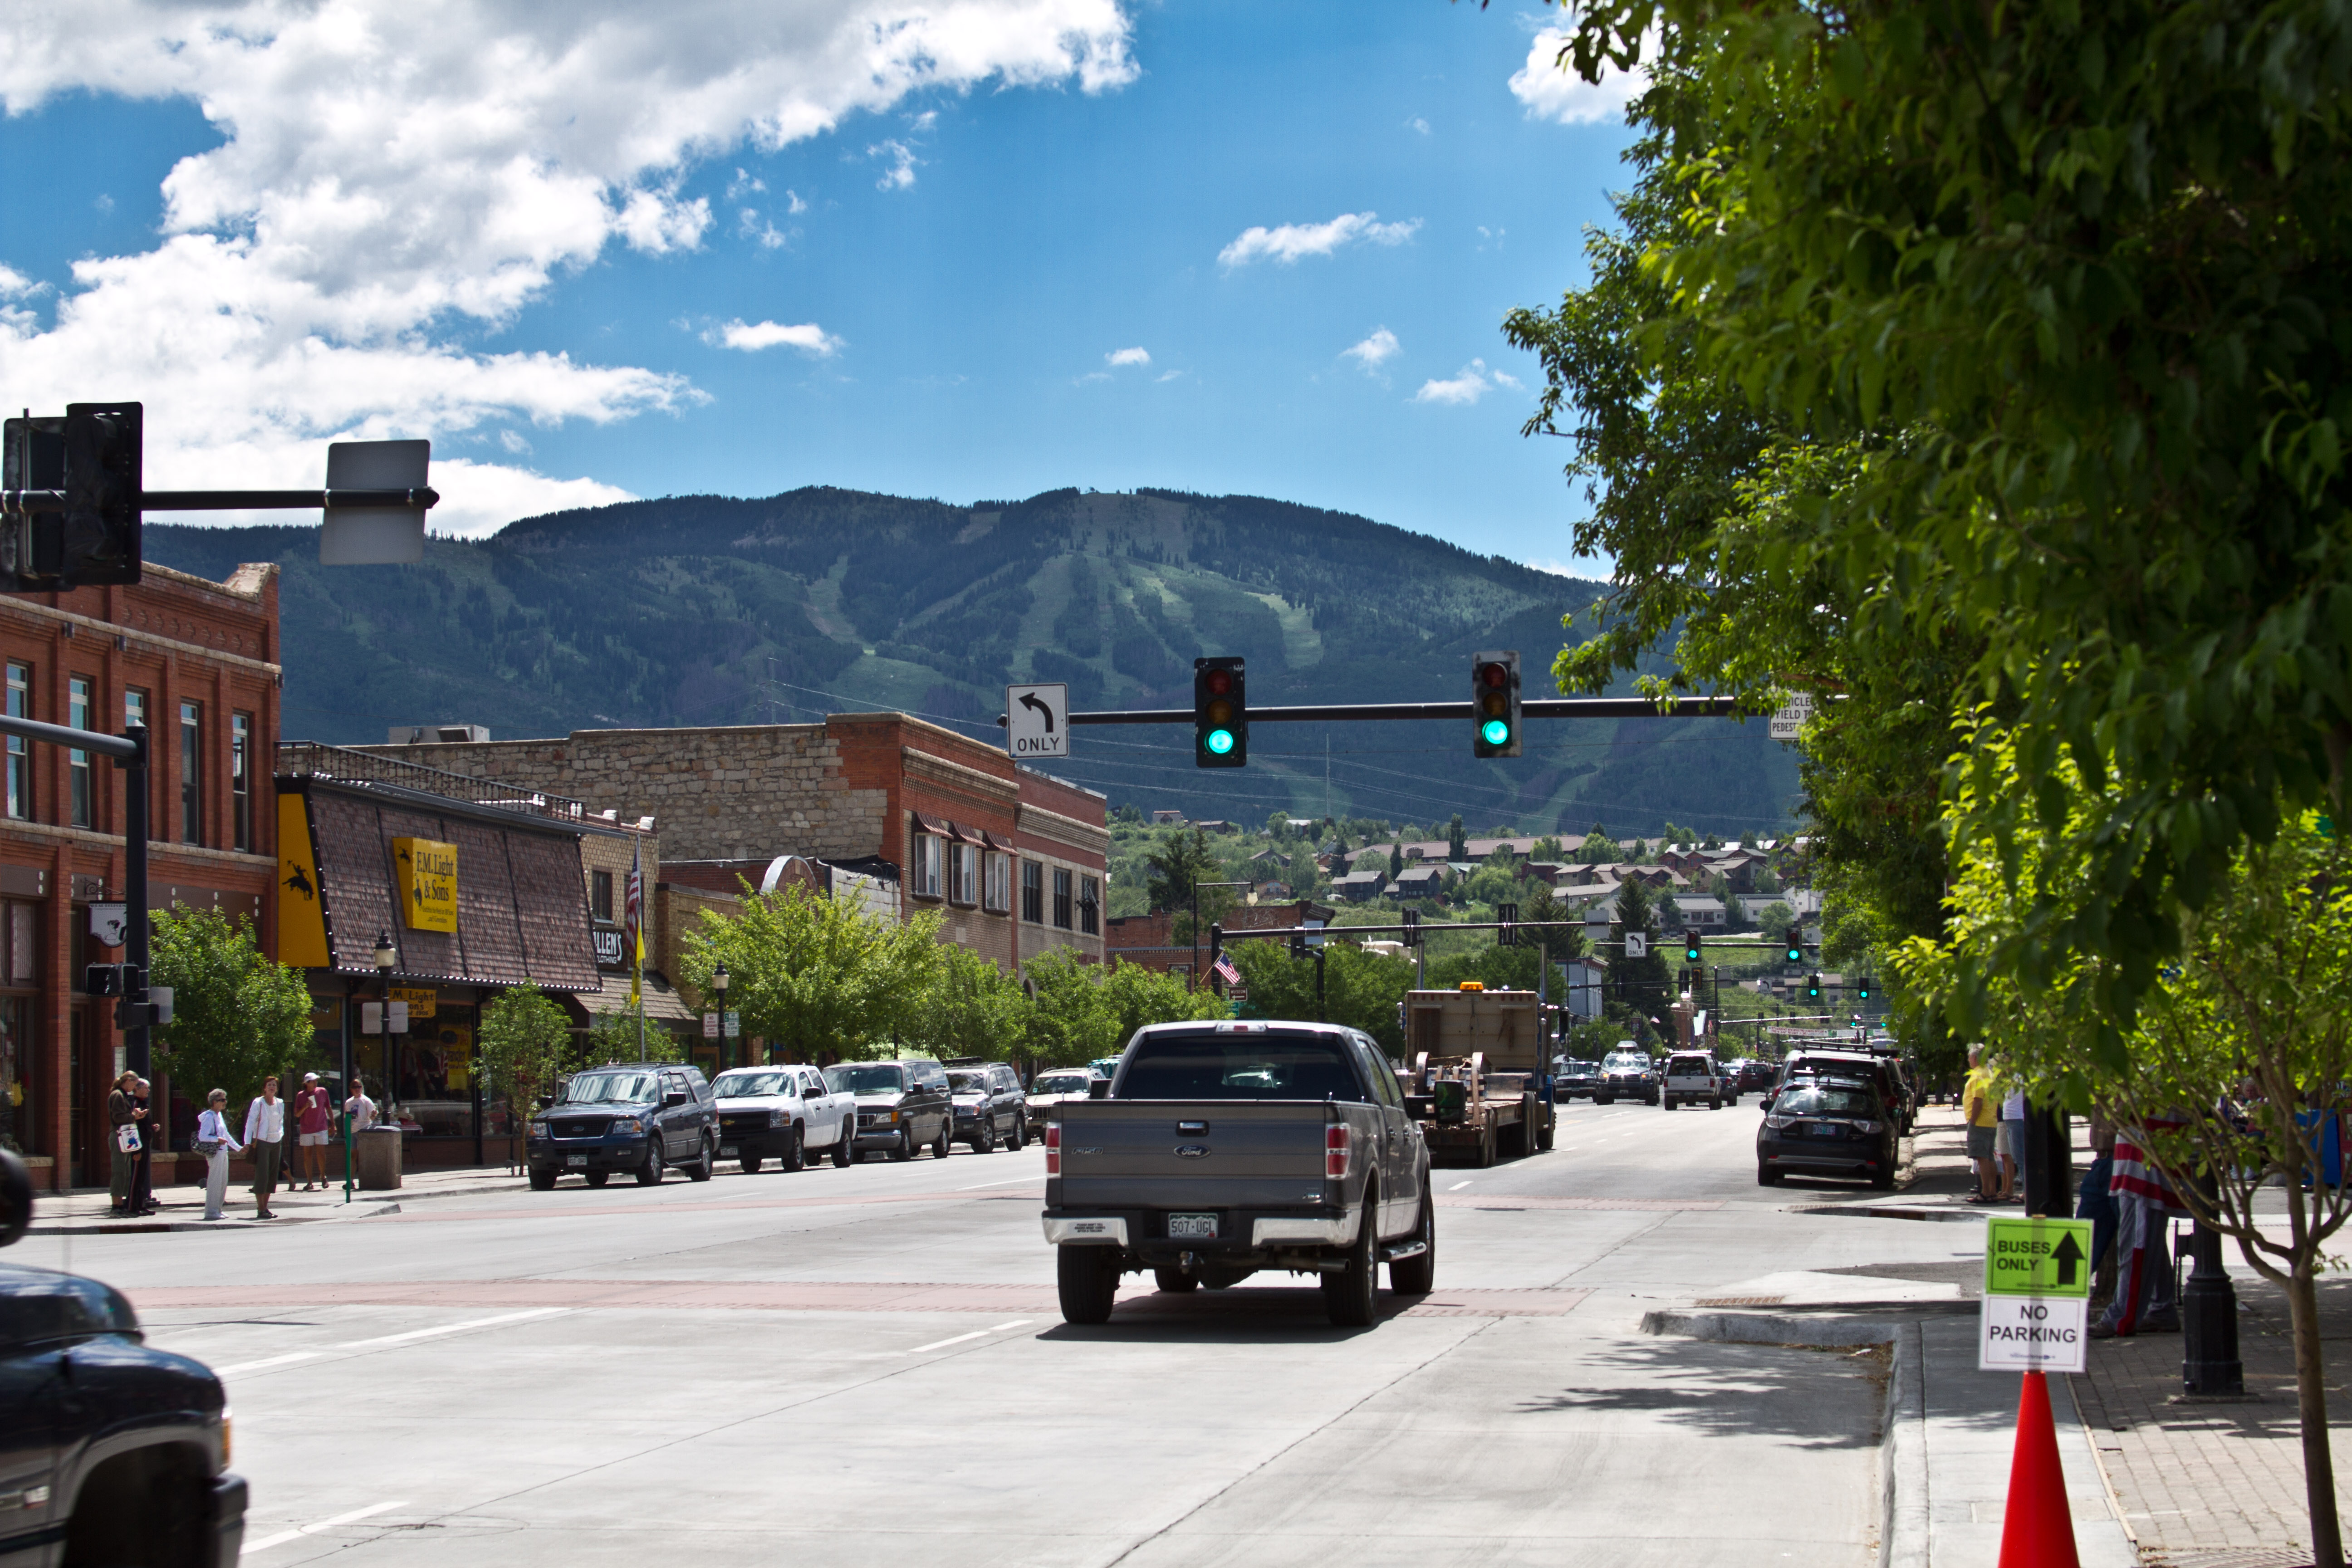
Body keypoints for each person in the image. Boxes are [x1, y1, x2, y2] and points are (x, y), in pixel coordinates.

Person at [2092, 1109, 2185, 1338]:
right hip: (2138, 1165)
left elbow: (2124, 1110)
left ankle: (2120, 1318)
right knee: (2147, 1243)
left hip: (2143, 1169)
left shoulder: (2147, 1082)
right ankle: (2162, 1308)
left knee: (2136, 1246)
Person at [2078, 1106, 2119, 1313]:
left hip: (2121, 1160)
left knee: (2137, 1239)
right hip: (2103, 1162)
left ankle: (2155, 1303)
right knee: (2084, 1235)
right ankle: (2067, 1293)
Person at [194, 1088, 243, 1222]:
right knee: (215, 1182)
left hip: (223, 1152)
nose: (225, 1102)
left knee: (223, 1182)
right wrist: (217, 1140)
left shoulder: (219, 1116)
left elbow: (226, 1135)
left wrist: (239, 1149)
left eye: (225, 1099)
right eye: (222, 1100)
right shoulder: (209, 1117)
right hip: (215, 1153)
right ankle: (211, 1211)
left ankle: (218, 1209)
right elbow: (203, 1136)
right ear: (214, 1102)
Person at [243, 1074, 284, 1220]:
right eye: (269, 1085)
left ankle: (266, 1208)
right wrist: (247, 1142)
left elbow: (281, 1122)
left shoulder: (280, 1103)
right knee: (262, 1175)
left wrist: (281, 1135)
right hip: (262, 1142)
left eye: (274, 1085)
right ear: (265, 1089)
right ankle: (260, 1208)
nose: (272, 1087)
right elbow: (250, 1123)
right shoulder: (258, 1103)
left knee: (273, 1176)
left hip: (276, 1141)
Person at [1961, 1048, 2000, 1202]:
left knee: (1982, 1158)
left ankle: (1986, 1192)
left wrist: (1973, 1120)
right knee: (1989, 1157)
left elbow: (1978, 1099)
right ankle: (1991, 1191)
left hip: (1981, 1121)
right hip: (1990, 1120)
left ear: (1975, 1058)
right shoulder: (1988, 1072)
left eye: (1970, 1056)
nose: (1969, 1059)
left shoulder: (1979, 1074)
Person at [105, 1068, 143, 1216]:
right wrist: (134, 1116)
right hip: (118, 1135)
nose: (135, 1088)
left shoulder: (122, 1095)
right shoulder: (117, 1095)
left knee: (126, 1172)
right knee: (119, 1171)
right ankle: (116, 1207)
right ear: (128, 1081)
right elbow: (118, 1118)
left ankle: (121, 1206)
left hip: (125, 1137)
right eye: (135, 1084)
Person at [294, 1072, 333, 1190]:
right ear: (307, 1083)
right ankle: (309, 1182)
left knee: (321, 1153)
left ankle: (323, 1176)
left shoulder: (322, 1092)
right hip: (306, 1129)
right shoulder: (300, 1096)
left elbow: (328, 1108)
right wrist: (305, 1106)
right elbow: (297, 1114)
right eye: (313, 1081)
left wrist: (333, 1124)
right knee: (307, 1155)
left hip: (321, 1127)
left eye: (316, 1080)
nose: (316, 1082)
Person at [128, 1077, 157, 1215]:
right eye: (146, 1088)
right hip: (138, 1145)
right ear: (137, 1089)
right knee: (136, 1176)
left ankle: (141, 1205)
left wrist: (152, 1128)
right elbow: (133, 1127)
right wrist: (136, 1150)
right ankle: (132, 1206)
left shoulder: (144, 1103)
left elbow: (143, 1125)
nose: (148, 1091)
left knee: (142, 1177)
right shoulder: (134, 1103)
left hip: (146, 1142)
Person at [1997, 1083, 2029, 1203]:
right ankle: (2026, 1191)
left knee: (2021, 1157)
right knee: (2017, 1157)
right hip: (2009, 1118)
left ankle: (2027, 1192)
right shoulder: (2008, 1078)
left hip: (2017, 1118)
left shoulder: (2019, 1077)